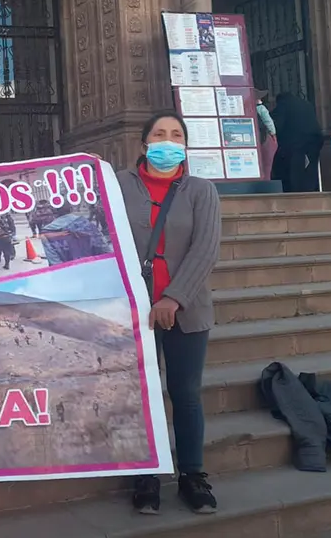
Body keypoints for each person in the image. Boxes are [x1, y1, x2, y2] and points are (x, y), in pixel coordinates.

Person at [116, 111, 221, 516]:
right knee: (141, 396)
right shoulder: (118, 185)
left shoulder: (201, 190)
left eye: (176, 135)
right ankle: (146, 475)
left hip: (187, 309)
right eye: (159, 134)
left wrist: (173, 298)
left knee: (186, 394)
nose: (167, 140)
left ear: (185, 145)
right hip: (133, 311)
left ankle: (192, 475)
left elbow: (205, 249)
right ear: (144, 144)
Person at [28, 200, 111, 266]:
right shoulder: (88, 225)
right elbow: (104, 249)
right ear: (71, 209)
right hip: (94, 269)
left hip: (70, 275)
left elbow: (55, 262)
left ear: (53, 211)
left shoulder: (47, 233)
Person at [270, 91, 323, 192]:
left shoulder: (283, 105)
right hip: (314, 140)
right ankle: (312, 189)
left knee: (293, 169)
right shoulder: (306, 104)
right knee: (310, 167)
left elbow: (277, 124)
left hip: (295, 142)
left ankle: (295, 192)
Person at [255, 89, 278, 180]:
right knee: (267, 163)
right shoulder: (261, 108)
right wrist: (273, 133)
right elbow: (268, 122)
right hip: (264, 137)